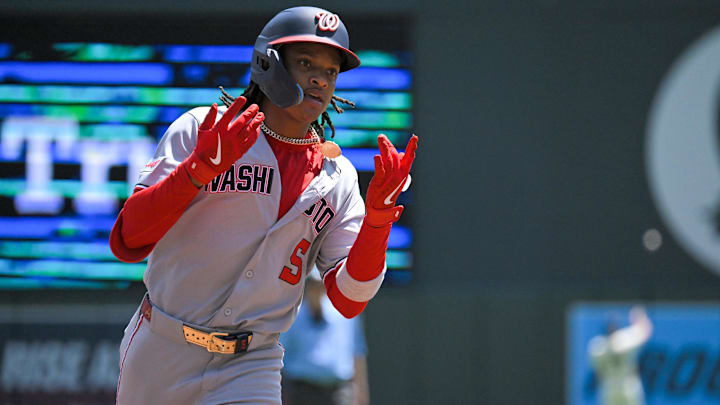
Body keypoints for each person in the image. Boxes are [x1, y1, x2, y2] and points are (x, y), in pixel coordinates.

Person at [109, 6, 417, 404]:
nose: (319, 79)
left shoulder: (336, 176)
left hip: (251, 362)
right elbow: (127, 241)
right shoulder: (207, 129)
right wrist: (196, 172)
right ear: (269, 62)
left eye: (330, 71)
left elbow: (349, 298)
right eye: (306, 62)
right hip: (162, 349)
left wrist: (378, 221)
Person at [280, 270, 370, 405]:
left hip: (339, 391)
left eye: (320, 285)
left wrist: (362, 393)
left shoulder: (344, 313)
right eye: (312, 285)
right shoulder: (293, 315)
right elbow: (281, 353)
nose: (316, 290)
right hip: (301, 391)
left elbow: (357, 352)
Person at [588, 306, 654, 405]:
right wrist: (641, 318)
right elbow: (644, 332)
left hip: (610, 387)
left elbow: (597, 371)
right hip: (627, 386)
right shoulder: (625, 340)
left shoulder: (597, 347)